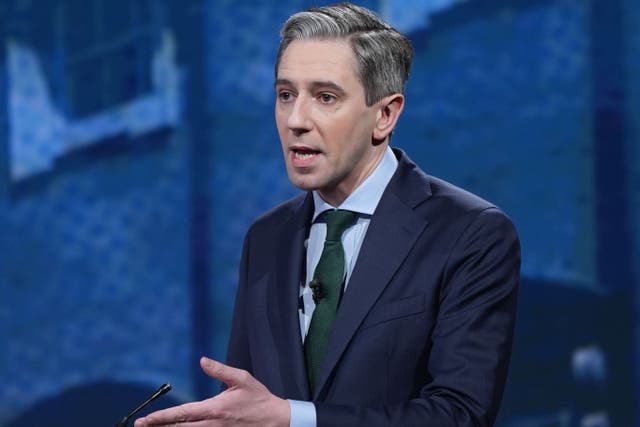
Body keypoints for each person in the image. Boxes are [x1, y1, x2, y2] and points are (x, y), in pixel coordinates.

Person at [135, 3, 520, 426]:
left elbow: (459, 415)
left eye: (325, 97)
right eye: (286, 95)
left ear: (385, 115)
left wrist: (293, 419)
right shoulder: (266, 238)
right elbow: (250, 409)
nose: (296, 120)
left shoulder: (469, 233)